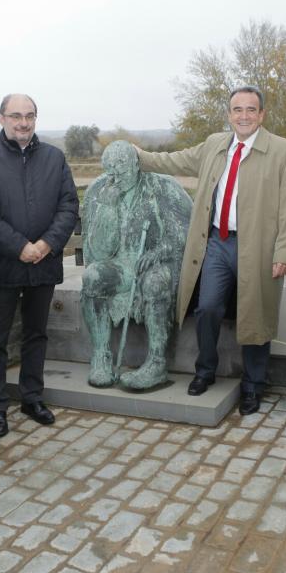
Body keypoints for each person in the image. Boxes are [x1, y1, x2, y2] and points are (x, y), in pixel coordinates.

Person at [137, 86, 286, 414]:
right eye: (237, 110)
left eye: (250, 110)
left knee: (256, 314)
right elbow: (174, 159)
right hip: (217, 242)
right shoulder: (215, 145)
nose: (243, 116)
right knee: (208, 307)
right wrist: (137, 155)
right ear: (229, 114)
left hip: (258, 247)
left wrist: (284, 254)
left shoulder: (282, 151)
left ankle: (254, 385)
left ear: (262, 114)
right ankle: (205, 371)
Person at [0, 94, 79, 431]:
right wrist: (19, 246)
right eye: (15, 116)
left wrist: (46, 244)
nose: (23, 122)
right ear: (1, 118)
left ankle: (32, 398)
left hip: (43, 264)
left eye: (29, 115)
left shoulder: (54, 157)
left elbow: (68, 205)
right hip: (2, 265)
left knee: (36, 335)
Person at [81, 141, 192, 390]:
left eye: (122, 171)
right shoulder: (100, 190)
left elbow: (184, 232)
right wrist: (108, 208)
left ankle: (156, 363)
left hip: (156, 264)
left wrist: (159, 251)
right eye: (111, 172)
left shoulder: (163, 187)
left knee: (154, 282)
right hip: (120, 267)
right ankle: (101, 357)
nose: (116, 177)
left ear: (135, 164)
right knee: (93, 277)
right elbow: (99, 251)